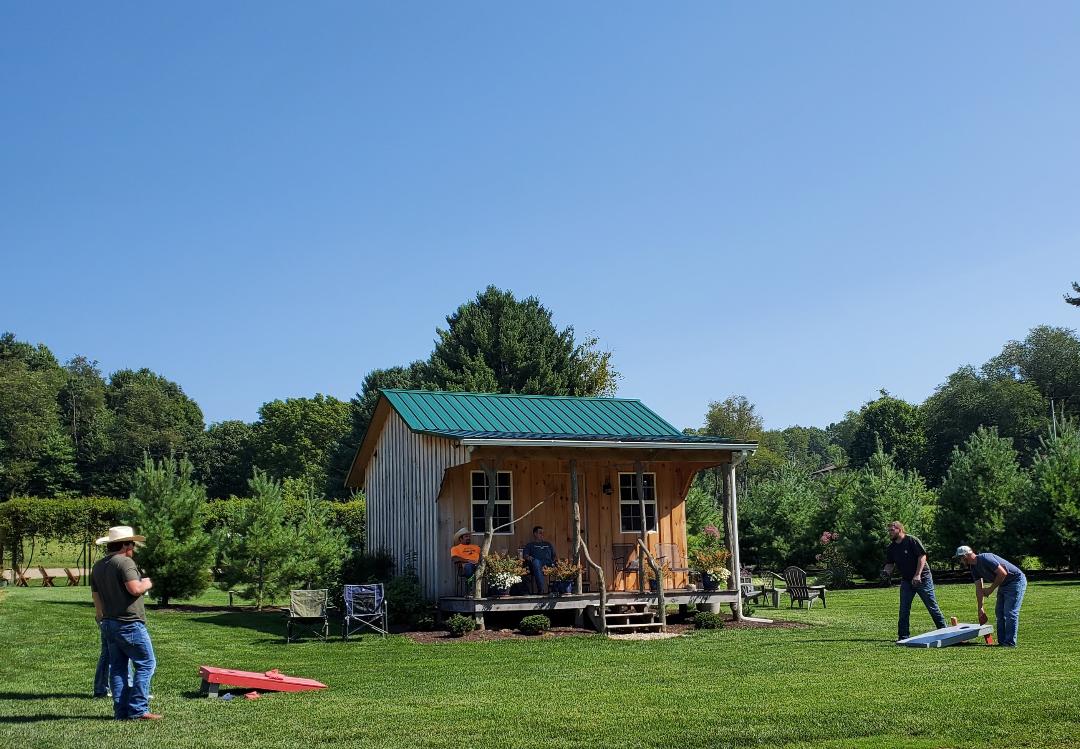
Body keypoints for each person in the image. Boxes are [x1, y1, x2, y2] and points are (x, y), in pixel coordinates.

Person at [90, 525, 160, 721]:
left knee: (118, 668)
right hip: (130, 623)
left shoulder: (99, 566)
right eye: (133, 544)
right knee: (146, 664)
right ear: (125, 545)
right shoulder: (125, 563)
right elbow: (135, 589)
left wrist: (101, 617)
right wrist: (148, 582)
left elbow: (96, 596)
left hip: (109, 623)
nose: (134, 548)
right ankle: (138, 709)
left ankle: (120, 712)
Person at [882, 520, 947, 641]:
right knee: (904, 609)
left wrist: (917, 575)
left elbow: (922, 556)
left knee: (931, 606)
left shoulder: (911, 540)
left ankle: (944, 631)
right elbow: (890, 563)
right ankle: (903, 636)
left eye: (892, 530)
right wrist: (886, 572)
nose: (889, 533)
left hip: (923, 578)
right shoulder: (891, 547)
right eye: (889, 530)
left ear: (899, 529)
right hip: (907, 580)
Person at [956, 545, 1027, 647]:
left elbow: (1003, 573)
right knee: (999, 613)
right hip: (1003, 583)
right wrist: (980, 608)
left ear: (965, 556)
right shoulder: (974, 568)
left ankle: (1010, 643)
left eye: (960, 559)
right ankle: (1002, 642)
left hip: (1015, 581)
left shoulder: (985, 558)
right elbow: (979, 589)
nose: (960, 561)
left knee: (1010, 613)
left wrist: (990, 589)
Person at [522, 525, 556, 594]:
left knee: (561, 563)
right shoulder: (530, 545)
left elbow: (554, 555)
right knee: (536, 562)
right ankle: (541, 590)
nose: (542, 534)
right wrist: (528, 557)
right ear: (535, 534)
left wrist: (551, 563)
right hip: (536, 565)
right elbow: (525, 555)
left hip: (548, 564)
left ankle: (559, 589)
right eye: (540, 533)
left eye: (543, 533)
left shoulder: (548, 544)